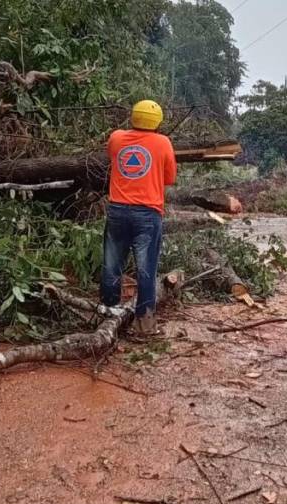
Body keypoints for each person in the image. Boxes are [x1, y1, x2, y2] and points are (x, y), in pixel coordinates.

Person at [99, 99, 177, 336]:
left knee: (112, 263)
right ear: (156, 121)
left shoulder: (117, 138)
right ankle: (144, 323)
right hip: (148, 213)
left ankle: (107, 312)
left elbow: (112, 156)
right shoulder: (163, 143)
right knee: (146, 269)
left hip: (118, 210)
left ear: (133, 116)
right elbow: (169, 178)